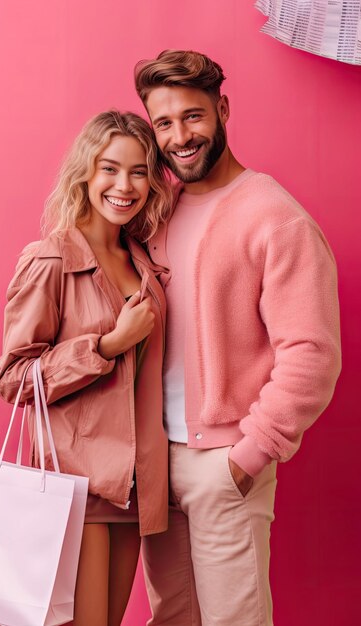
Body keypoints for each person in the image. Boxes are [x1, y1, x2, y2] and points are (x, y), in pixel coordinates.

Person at [134, 50, 341, 626]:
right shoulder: (160, 212)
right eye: (165, 123)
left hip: (224, 462)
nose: (180, 136)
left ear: (222, 109)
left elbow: (312, 353)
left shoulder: (274, 216)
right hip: (155, 459)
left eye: (193, 116)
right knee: (172, 618)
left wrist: (250, 454)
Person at [0, 110, 172, 626]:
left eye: (139, 171)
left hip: (133, 481)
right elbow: (14, 378)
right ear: (86, 173)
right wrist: (109, 343)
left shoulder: (143, 262)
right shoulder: (51, 259)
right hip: (75, 479)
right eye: (109, 169)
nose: (124, 185)